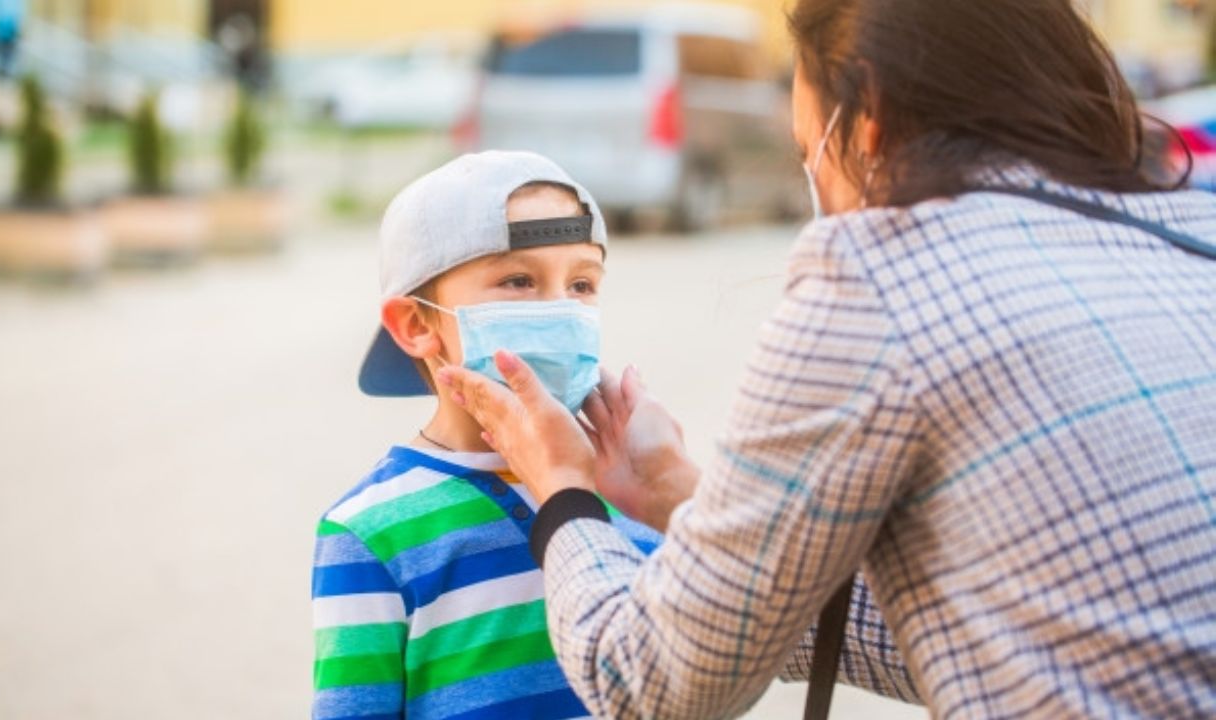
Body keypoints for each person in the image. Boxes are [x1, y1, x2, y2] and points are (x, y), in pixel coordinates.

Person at [434, 0, 1216, 718]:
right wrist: (680, 497)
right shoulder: (1192, 236)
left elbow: (647, 685)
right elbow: (1015, 628)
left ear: (866, 119)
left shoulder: (878, 274)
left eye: (809, 149)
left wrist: (563, 492)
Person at [310, 151, 660, 720]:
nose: (560, 309)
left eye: (581, 283)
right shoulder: (369, 531)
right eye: (519, 281)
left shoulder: (631, 490)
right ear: (416, 324)